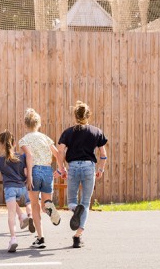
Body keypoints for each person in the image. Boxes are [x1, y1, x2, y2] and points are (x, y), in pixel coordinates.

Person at [55, 101, 108, 248]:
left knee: (71, 200)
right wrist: (101, 169)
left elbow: (60, 151)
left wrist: (61, 168)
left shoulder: (68, 132)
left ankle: (74, 209)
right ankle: (78, 237)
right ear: (88, 115)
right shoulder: (96, 131)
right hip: (88, 167)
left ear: (75, 116)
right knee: (85, 203)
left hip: (73, 166)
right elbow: (103, 154)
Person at [19, 108, 62, 249]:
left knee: (35, 205)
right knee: (45, 204)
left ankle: (40, 237)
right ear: (38, 124)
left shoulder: (24, 140)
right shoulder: (45, 138)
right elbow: (57, 154)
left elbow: (29, 158)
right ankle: (50, 208)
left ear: (26, 124)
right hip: (47, 171)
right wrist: (61, 169)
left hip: (35, 171)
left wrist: (29, 176)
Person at [0, 130, 33, 252]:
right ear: (14, 143)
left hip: (10, 189)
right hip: (22, 188)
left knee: (11, 215)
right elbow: (25, 172)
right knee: (22, 206)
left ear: (1, 144)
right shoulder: (22, 157)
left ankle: (13, 238)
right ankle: (24, 215)